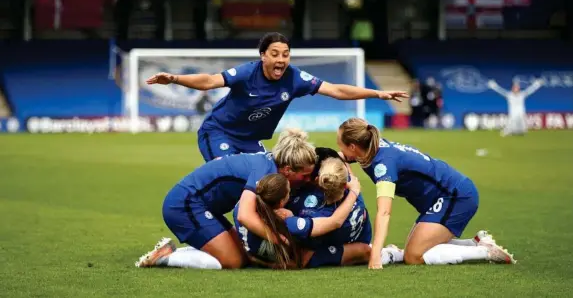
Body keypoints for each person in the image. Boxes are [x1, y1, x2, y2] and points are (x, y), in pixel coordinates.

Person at [146, 32, 409, 161]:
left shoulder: (295, 78)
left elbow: (337, 90)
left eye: (285, 54)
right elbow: (209, 81)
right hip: (219, 133)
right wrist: (175, 78)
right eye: (275, 53)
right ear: (263, 56)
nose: (281, 59)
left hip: (250, 140)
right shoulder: (246, 73)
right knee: (227, 175)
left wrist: (377, 92)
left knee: (267, 181)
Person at [336, 117, 517, 269]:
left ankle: (485, 252)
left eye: (340, 143)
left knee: (414, 256)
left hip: (455, 196)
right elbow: (343, 156)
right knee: (416, 248)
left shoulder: (384, 165)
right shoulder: (371, 149)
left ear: (353, 146)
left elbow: (384, 212)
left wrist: (375, 255)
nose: (339, 148)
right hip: (445, 196)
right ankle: (475, 242)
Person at [135, 128, 317, 270]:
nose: (308, 180)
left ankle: (172, 251)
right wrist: (279, 240)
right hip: (185, 204)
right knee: (233, 261)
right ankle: (167, 258)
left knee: (242, 255)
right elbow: (244, 215)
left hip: (200, 205)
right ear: (287, 170)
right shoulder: (265, 170)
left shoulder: (268, 164)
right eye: (305, 175)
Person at [233, 158, 403, 269]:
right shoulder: (294, 223)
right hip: (345, 236)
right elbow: (333, 223)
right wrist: (354, 192)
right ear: (280, 202)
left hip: (256, 248)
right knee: (365, 251)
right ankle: (394, 254)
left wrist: (254, 259)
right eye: (288, 191)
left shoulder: (241, 209)